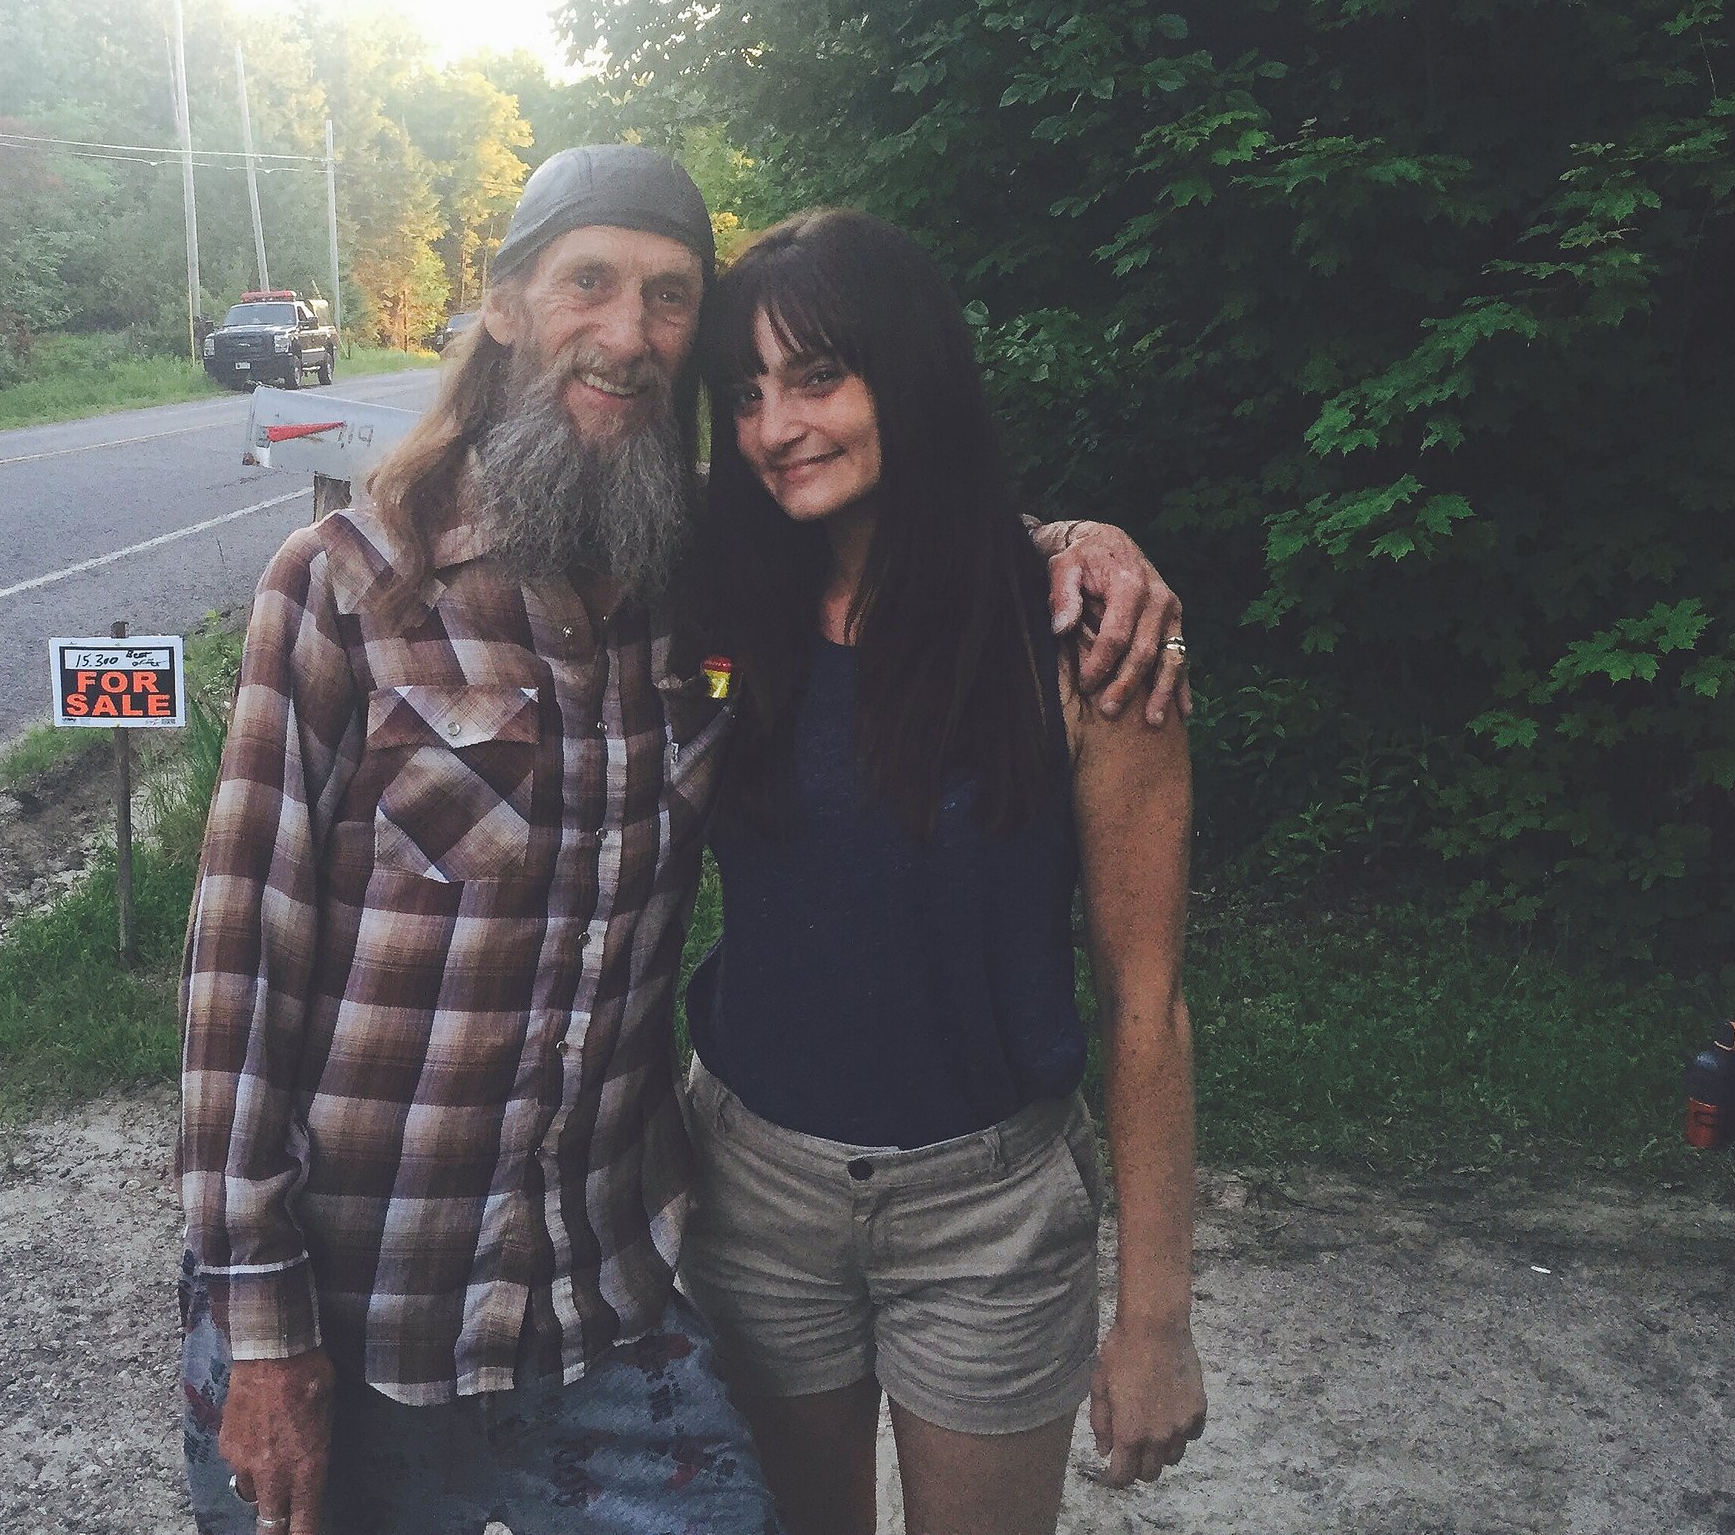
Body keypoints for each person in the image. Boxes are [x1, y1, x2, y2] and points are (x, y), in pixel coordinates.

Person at [176, 148, 1187, 1535]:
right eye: (589, 282)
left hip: (616, 1298)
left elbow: (914, 549)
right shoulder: (360, 586)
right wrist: (260, 1323)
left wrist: (1084, 544)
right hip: (379, 1310)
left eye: (668, 299)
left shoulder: (707, 602)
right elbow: (239, 983)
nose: (631, 333)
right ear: (508, 305)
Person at [676, 209, 1206, 1535]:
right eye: (743, 395)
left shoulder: (1081, 638)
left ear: (906, 374)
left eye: (814, 378)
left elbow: (1145, 999)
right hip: (758, 1191)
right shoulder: (722, 602)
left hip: (988, 1217)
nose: (775, 426)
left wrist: (1155, 1325)